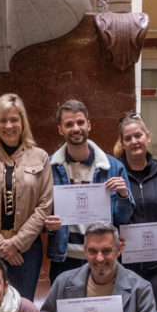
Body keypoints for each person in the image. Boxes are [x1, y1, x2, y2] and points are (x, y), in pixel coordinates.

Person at [0, 93, 53, 300]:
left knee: (22, 307)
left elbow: (44, 205)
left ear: (23, 122)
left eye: (14, 119)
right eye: (2, 120)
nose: (8, 126)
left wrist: (16, 244)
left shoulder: (40, 156)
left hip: (27, 251)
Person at [45, 99, 132, 281]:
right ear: (60, 129)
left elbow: (123, 220)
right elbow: (41, 212)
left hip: (103, 257)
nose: (76, 128)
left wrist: (124, 195)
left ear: (89, 125)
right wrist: (48, 226)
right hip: (65, 257)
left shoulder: (113, 167)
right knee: (64, 309)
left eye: (80, 122)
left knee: (105, 309)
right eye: (69, 124)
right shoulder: (48, 167)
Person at [113, 112, 157, 309]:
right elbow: (106, 214)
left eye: (138, 136)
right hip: (124, 264)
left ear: (148, 137)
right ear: (122, 143)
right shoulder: (114, 176)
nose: (134, 141)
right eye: (128, 138)